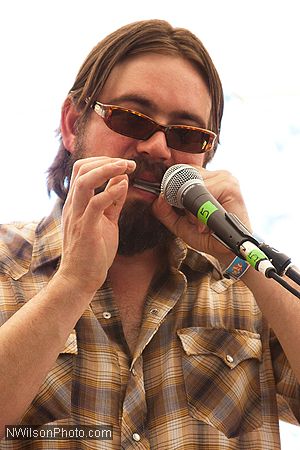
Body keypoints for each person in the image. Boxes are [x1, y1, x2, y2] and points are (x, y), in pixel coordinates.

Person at [0, 19, 299, 450]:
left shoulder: (250, 284)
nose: (157, 148)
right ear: (72, 124)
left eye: (186, 133)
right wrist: (72, 284)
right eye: (132, 118)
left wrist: (244, 251)